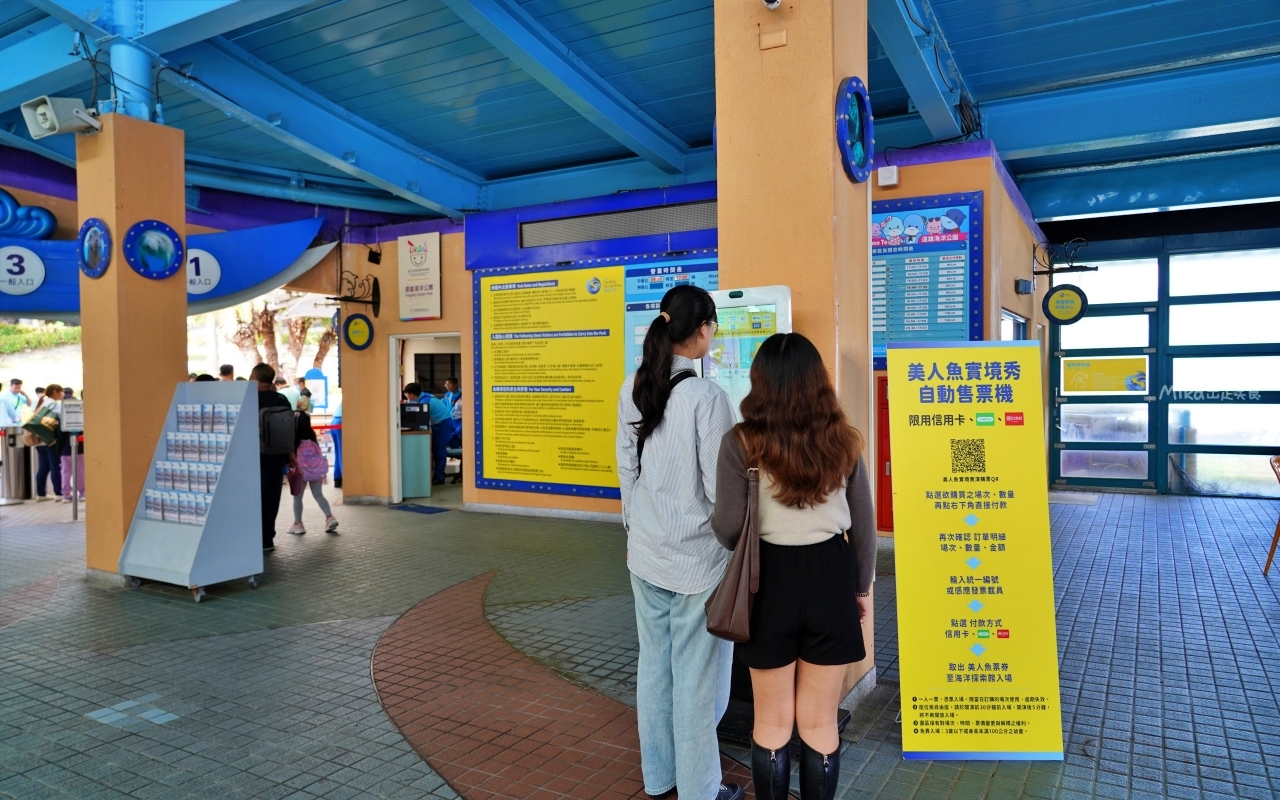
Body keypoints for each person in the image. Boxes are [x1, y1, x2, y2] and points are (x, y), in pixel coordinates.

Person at [711, 333, 875, 800]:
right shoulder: (843, 440)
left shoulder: (741, 441)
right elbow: (864, 525)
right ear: (816, 381)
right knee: (820, 722)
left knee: (772, 720)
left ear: (759, 381)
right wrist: (860, 588)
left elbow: (727, 525)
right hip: (831, 574)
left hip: (768, 579)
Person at [615, 285, 739, 800]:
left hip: (646, 554)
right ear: (704, 329)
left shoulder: (634, 386)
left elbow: (627, 468)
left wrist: (639, 526)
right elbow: (721, 490)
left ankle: (659, 777)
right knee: (696, 679)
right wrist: (732, 545)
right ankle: (701, 790)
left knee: (655, 666)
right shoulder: (706, 398)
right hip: (696, 563)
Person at [253, 364, 293, 551]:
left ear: (255, 377)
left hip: (256, 456)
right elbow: (289, 429)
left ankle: (263, 538)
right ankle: (269, 535)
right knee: (274, 496)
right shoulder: (281, 398)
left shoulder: (249, 399)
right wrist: (291, 454)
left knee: (260, 496)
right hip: (278, 455)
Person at [286, 410, 338, 535]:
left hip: (300, 473)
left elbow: (292, 458)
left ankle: (298, 524)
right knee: (319, 495)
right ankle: (330, 517)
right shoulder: (313, 440)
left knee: (297, 498)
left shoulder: (294, 442)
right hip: (315, 472)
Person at [32, 384, 64, 501]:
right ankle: (58, 493)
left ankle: (41, 494)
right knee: (55, 467)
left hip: (40, 440)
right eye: (62, 392)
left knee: (43, 468)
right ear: (55, 391)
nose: (63, 395)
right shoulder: (53, 404)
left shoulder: (42, 403)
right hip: (50, 440)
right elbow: (62, 417)